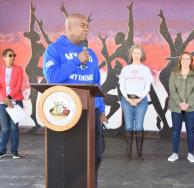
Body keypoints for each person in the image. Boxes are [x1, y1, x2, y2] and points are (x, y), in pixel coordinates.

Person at [43, 13, 108, 186]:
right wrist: (76, 61)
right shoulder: (54, 49)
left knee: (96, 153)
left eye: (87, 25)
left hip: (91, 113)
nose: (86, 28)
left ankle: (88, 183)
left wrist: (101, 111)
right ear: (69, 27)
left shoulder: (92, 53)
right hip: (67, 112)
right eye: (82, 25)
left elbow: (96, 84)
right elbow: (52, 77)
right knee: (71, 156)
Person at [119, 44, 153, 161]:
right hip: (126, 100)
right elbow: (121, 86)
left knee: (139, 125)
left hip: (141, 101)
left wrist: (139, 99)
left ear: (141, 55)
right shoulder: (125, 69)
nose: (137, 55)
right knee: (128, 126)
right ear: (131, 55)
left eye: (139, 53)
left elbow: (147, 87)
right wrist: (128, 99)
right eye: (135, 53)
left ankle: (139, 154)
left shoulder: (145, 70)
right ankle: (128, 154)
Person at [167, 52, 194, 163]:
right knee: (176, 130)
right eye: (183, 59)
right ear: (180, 61)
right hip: (176, 107)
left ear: (191, 61)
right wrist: (180, 104)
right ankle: (174, 153)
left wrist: (188, 104)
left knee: (190, 130)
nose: (185, 61)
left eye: (187, 59)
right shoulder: (174, 73)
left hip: (191, 107)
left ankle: (190, 154)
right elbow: (172, 90)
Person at [0, 48, 24, 159]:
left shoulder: (19, 69)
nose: (13, 57)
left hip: (15, 101)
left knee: (14, 128)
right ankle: (2, 151)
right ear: (4, 57)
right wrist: (4, 99)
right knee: (5, 128)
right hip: (1, 103)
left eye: (14, 55)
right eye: (10, 55)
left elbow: (18, 85)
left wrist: (9, 98)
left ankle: (14, 151)